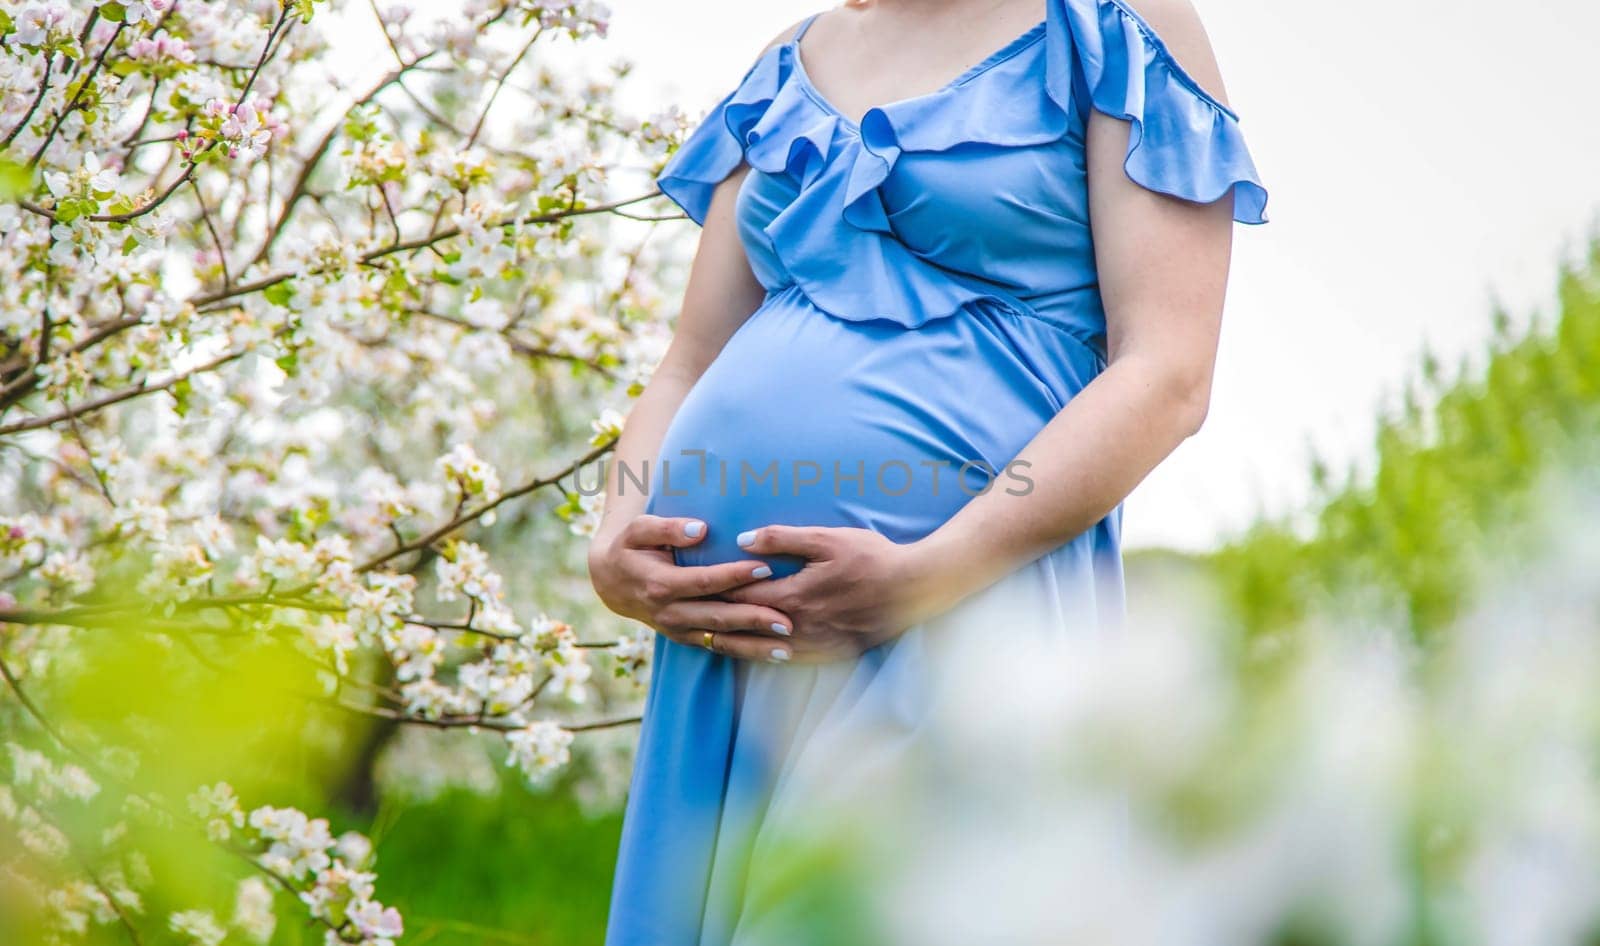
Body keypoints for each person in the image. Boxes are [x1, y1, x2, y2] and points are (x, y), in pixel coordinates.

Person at [589, 0, 1269, 941]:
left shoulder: (1113, 28)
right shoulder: (791, 58)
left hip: (960, 616)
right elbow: (687, 365)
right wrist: (613, 535)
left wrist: (929, 573)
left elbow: (1166, 375)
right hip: (730, 644)